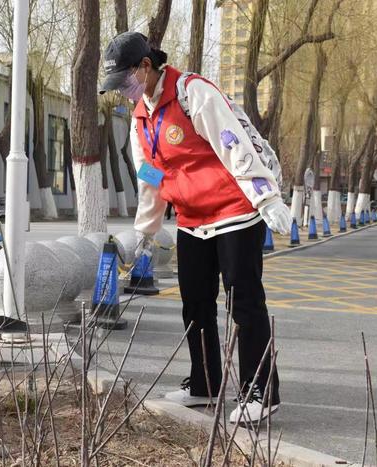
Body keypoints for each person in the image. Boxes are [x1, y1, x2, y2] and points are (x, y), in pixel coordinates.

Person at [100, 32, 291, 424]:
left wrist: (265, 197)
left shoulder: (192, 93)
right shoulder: (140, 118)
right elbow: (150, 176)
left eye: (125, 81)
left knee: (244, 301)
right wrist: (146, 232)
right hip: (192, 219)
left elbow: (232, 142)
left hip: (234, 211)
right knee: (195, 303)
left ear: (146, 67)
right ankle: (205, 383)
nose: (123, 91)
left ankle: (262, 389)